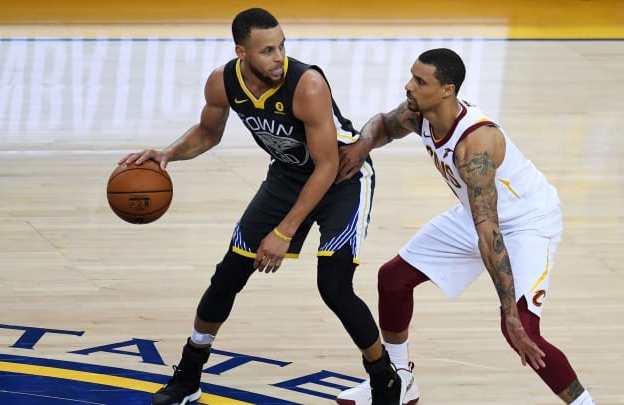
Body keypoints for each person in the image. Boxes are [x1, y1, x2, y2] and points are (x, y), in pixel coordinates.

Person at [119, 8, 406, 405]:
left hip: (342, 178)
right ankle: (188, 377)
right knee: (227, 277)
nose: (279, 57)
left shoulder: (307, 85)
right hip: (288, 176)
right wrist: (167, 154)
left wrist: (283, 232)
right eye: (268, 50)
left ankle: (385, 382)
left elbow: (324, 168)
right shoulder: (222, 83)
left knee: (334, 286)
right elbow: (207, 133)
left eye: (282, 46)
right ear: (241, 52)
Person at [334, 48, 596, 405]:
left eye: (419, 81)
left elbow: (490, 235)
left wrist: (509, 314)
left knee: (521, 330)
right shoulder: (417, 113)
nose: (409, 86)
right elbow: (382, 124)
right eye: (412, 76)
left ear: (447, 89)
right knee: (393, 280)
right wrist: (362, 145)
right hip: (476, 212)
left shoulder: (476, 144)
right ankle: (397, 382)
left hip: (526, 222)